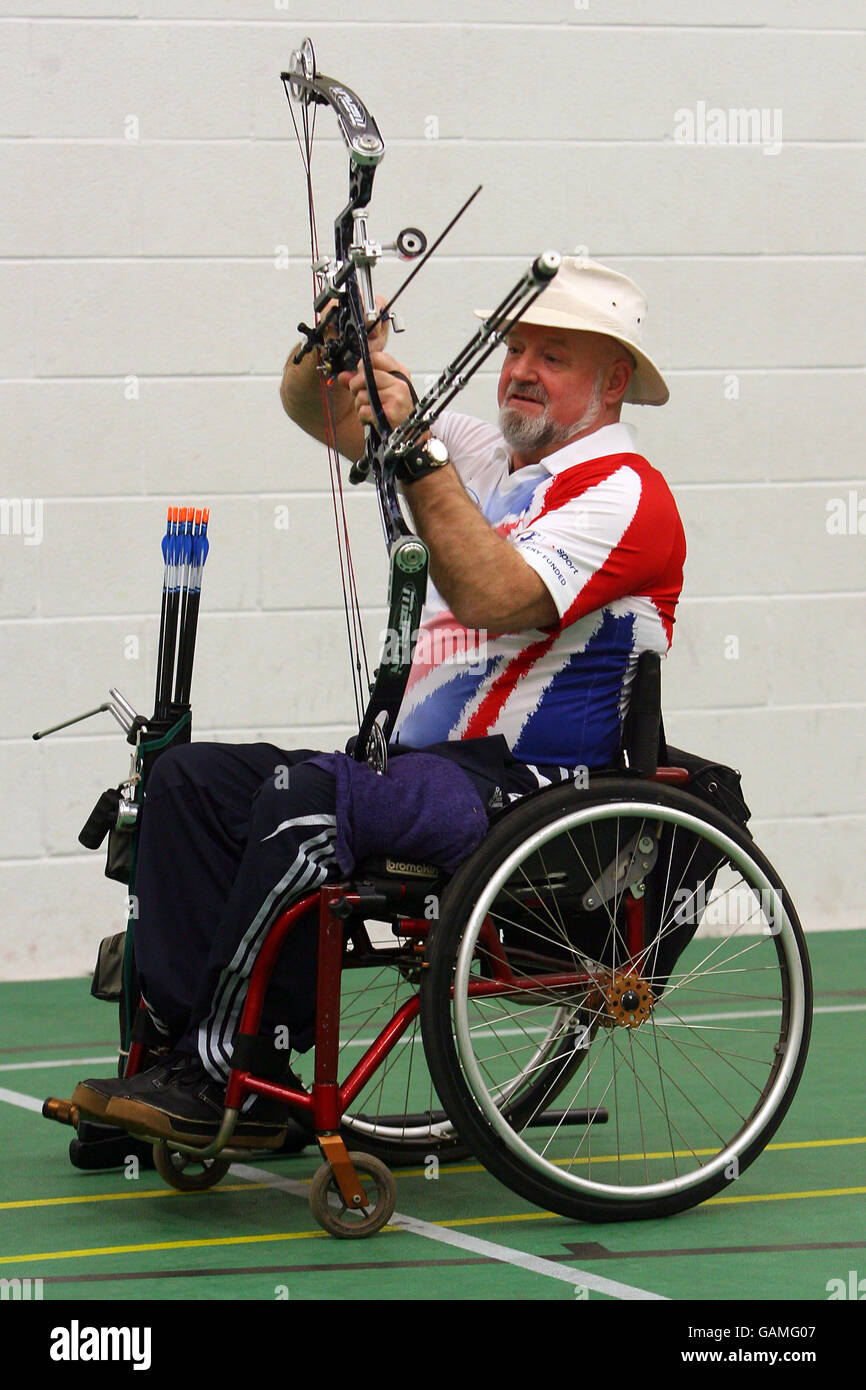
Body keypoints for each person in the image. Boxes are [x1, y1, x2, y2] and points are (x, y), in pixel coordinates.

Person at [71, 257, 684, 1150]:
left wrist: (418, 443)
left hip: (528, 789)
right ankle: (169, 1061)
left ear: (614, 378)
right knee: (191, 781)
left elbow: (490, 593)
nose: (519, 368)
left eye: (553, 355)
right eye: (515, 347)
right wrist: (331, 344)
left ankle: (226, 1071)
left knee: (311, 795)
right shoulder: (483, 458)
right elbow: (315, 404)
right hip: (431, 774)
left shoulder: (627, 492)